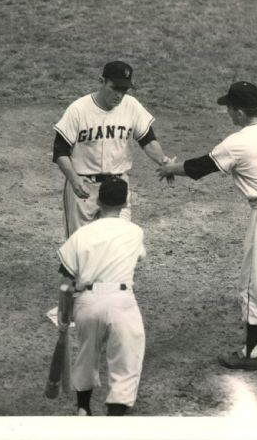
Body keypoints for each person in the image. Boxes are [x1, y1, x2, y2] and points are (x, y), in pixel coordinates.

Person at [157, 81, 257, 370]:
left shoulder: (238, 141)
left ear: (238, 112)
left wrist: (169, 168)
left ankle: (250, 355)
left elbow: (202, 166)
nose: (227, 113)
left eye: (228, 109)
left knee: (254, 287)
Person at [57, 178, 147, 416]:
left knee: (86, 355)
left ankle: (83, 408)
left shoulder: (81, 234)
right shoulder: (135, 232)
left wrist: (64, 317)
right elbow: (139, 257)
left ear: (98, 201)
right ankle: (114, 416)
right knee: (127, 360)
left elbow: (66, 284)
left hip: (87, 303)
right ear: (126, 202)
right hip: (121, 302)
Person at [53, 60, 172, 237]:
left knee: (118, 241)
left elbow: (148, 140)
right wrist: (73, 178)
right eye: (115, 88)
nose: (119, 94)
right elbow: (60, 151)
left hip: (118, 186)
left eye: (124, 90)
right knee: (81, 246)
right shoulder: (78, 110)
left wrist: (164, 160)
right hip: (84, 187)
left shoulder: (131, 106)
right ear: (101, 81)